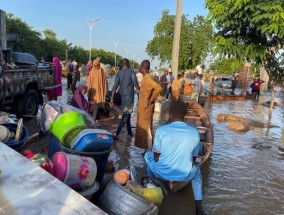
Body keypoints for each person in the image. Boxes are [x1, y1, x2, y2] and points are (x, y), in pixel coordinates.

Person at [144, 101, 204, 215]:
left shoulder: (162, 130)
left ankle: (150, 186)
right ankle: (199, 210)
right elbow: (194, 159)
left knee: (147, 156)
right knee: (198, 174)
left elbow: (156, 157)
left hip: (161, 173)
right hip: (184, 175)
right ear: (185, 115)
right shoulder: (194, 133)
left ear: (170, 115)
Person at [135, 60, 162, 150]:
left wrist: (151, 99)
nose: (139, 68)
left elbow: (158, 88)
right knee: (143, 127)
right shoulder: (145, 77)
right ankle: (146, 148)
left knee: (147, 128)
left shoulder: (148, 78)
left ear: (143, 68)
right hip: (143, 107)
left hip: (146, 107)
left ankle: (150, 149)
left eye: (140, 67)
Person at [110, 58, 140, 139]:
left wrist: (112, 98)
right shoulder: (131, 72)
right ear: (128, 64)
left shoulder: (119, 73)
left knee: (127, 115)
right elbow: (135, 84)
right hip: (129, 97)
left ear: (122, 64)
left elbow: (114, 86)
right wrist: (140, 90)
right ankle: (117, 132)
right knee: (125, 116)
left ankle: (130, 133)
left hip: (122, 96)